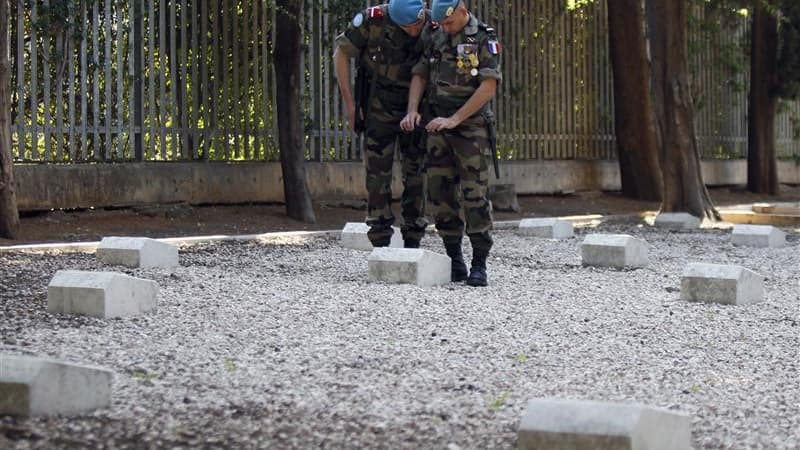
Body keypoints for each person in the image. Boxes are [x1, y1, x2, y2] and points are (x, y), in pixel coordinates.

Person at [401, 0, 501, 286]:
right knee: (440, 192)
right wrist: (412, 109)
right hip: (437, 127)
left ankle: (479, 263)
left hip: (472, 129)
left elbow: (488, 86)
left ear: (462, 9)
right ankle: (455, 259)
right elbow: (420, 73)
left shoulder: (482, 37)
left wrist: (456, 119)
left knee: (475, 195)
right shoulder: (435, 33)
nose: (445, 28)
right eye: (441, 24)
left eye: (449, 23)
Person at [333, 0, 430, 248]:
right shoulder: (373, 20)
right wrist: (351, 104)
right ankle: (380, 239)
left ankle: (413, 238)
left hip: (418, 107)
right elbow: (341, 53)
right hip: (379, 106)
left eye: (417, 24)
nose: (414, 30)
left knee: (416, 172)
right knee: (377, 175)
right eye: (407, 27)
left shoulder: (433, 22)